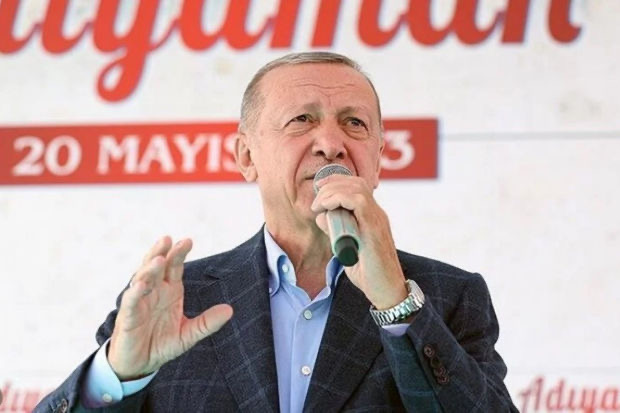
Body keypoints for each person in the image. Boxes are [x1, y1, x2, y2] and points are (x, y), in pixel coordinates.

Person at [35, 52, 517, 412]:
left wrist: (396, 305)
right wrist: (118, 376)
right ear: (246, 156)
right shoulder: (176, 298)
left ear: (377, 161)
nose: (330, 144)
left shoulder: (448, 297)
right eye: (301, 120)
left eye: (354, 123)